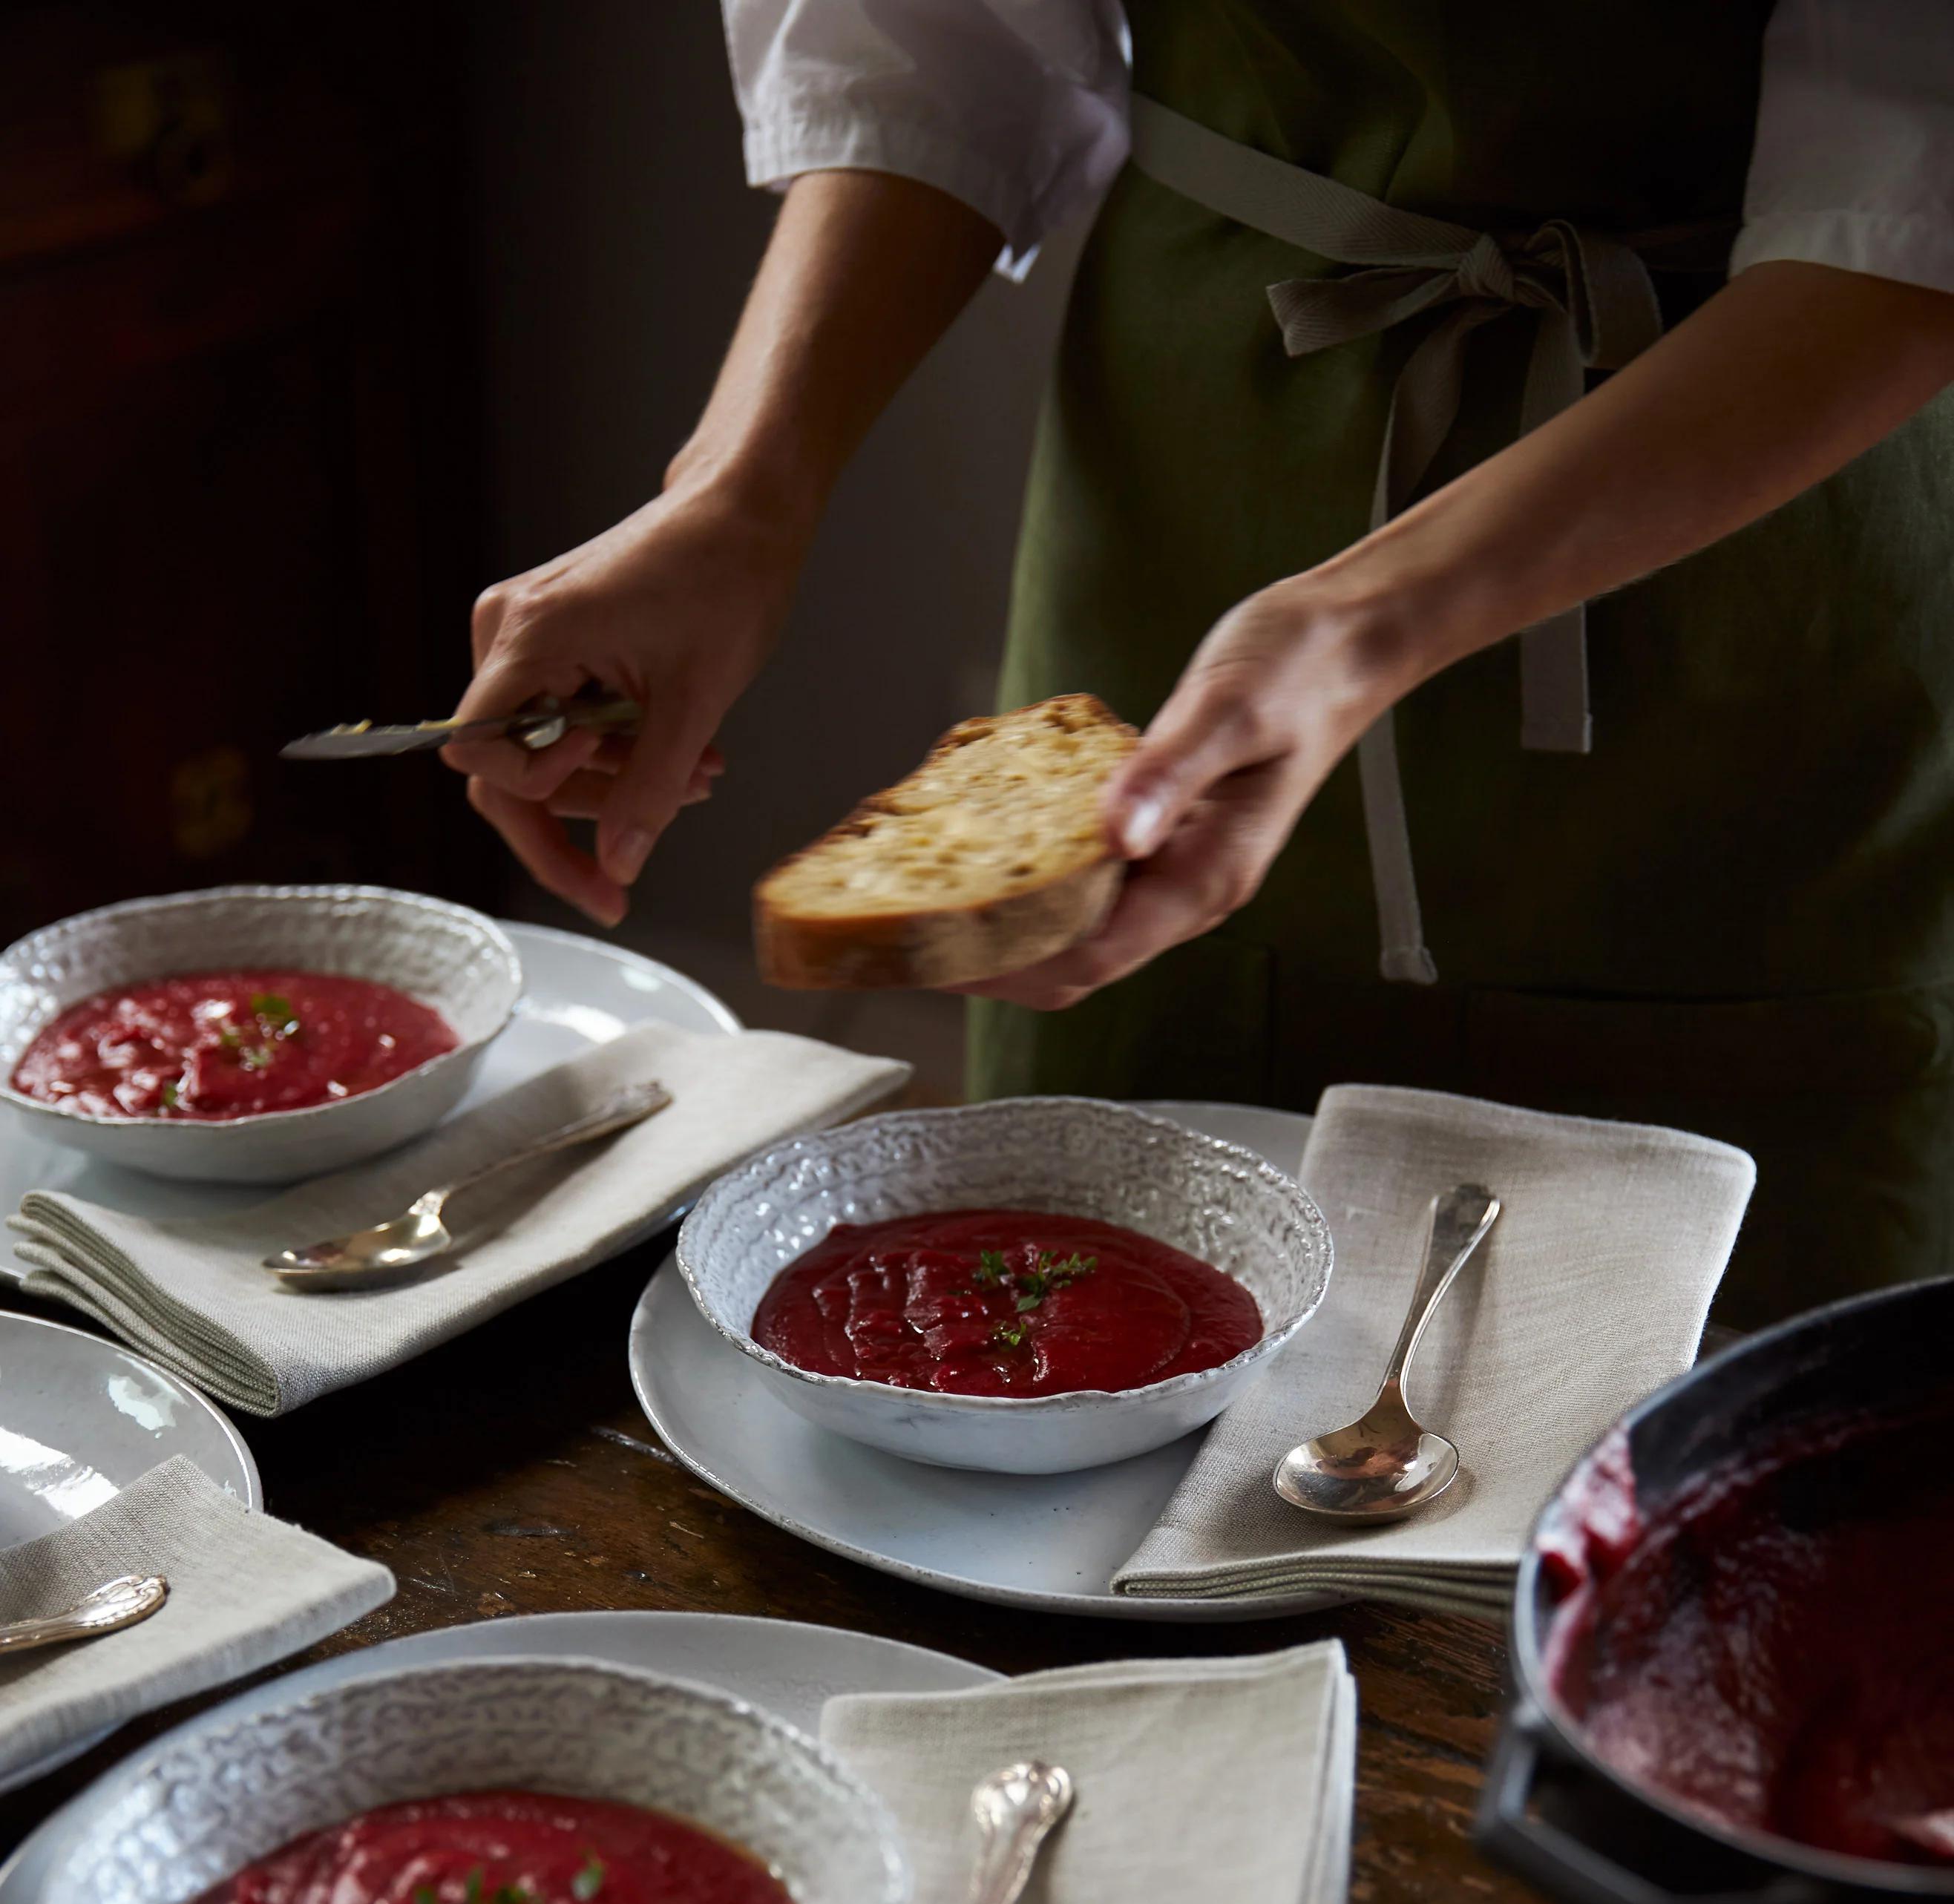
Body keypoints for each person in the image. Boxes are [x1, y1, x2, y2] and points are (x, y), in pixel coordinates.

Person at [442, 4, 1954, 1325]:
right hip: (1195, 490)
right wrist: (736, 493)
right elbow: (938, 41)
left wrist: (1355, 627)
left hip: (1757, 554)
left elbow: (1913, 202)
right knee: (1092, 1323)